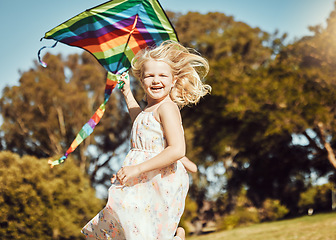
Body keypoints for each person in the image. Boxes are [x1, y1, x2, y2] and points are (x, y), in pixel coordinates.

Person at [81, 41, 211, 240]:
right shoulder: (150, 110)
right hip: (141, 177)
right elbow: (139, 122)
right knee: (127, 226)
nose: (156, 80)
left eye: (162, 75)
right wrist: (126, 93)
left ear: (174, 80)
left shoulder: (167, 108)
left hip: (159, 179)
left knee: (143, 232)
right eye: (150, 75)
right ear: (141, 80)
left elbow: (177, 150)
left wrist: (136, 169)